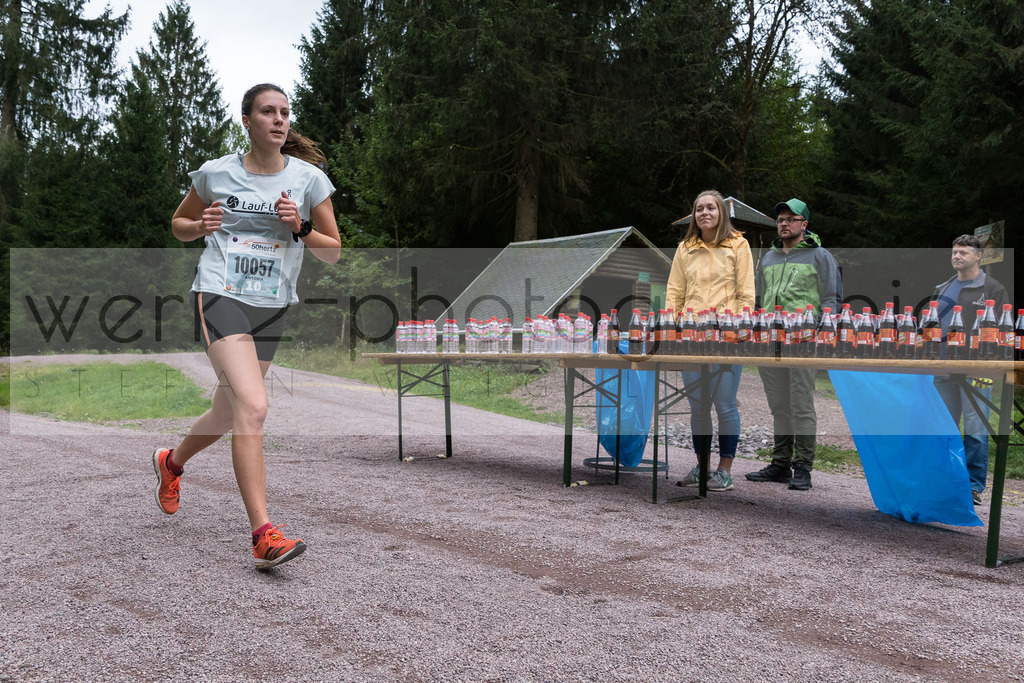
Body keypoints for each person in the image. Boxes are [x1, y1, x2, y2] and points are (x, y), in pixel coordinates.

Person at [153, 83, 341, 569]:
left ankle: (170, 463)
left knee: (225, 411)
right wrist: (201, 227)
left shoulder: (307, 179)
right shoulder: (217, 173)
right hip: (220, 294)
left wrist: (299, 226)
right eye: (267, 112)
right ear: (247, 121)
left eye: (284, 113)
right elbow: (179, 222)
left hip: (272, 304)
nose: (278, 120)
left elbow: (333, 251)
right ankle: (263, 534)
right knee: (253, 407)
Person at [747, 198, 841, 491]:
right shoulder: (768, 258)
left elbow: (832, 298)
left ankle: (803, 467)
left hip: (804, 340)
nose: (784, 223)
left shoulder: (820, 256)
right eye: (780, 219)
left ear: (804, 224)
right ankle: (780, 464)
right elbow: (759, 300)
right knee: (779, 405)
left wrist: (824, 332)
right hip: (771, 341)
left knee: (801, 403)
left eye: (791, 218)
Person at [666, 190, 755, 491]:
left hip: (725, 335)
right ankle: (702, 467)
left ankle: (724, 471)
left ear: (722, 213)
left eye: (711, 208)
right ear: (694, 215)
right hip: (691, 336)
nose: (704, 213)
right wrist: (673, 328)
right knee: (697, 406)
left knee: (725, 405)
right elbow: (674, 293)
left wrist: (740, 328)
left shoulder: (738, 244)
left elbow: (746, 293)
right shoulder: (685, 248)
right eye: (699, 209)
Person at [932, 234, 1008, 505]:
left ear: (978, 257)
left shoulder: (994, 288)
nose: (956, 256)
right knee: (944, 426)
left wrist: (988, 367)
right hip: (943, 368)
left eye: (963, 252)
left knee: (976, 428)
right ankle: (945, 478)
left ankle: (973, 485)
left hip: (978, 369)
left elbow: (1002, 331)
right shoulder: (943, 287)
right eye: (954, 252)